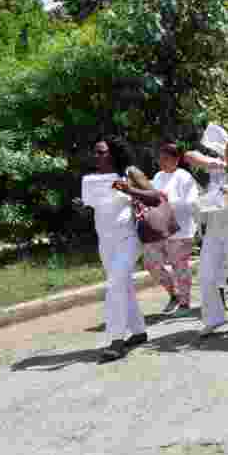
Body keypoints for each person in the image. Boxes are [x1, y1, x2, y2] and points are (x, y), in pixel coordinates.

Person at [86, 139, 151, 362]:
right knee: (123, 285)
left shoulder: (127, 174)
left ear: (112, 154)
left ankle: (116, 341)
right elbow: (100, 206)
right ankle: (139, 331)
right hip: (106, 242)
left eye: (100, 152)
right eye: (94, 152)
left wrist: (129, 189)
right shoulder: (93, 181)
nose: (95, 155)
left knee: (114, 285)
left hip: (129, 238)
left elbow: (156, 197)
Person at [185, 141, 228, 337]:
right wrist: (212, 163)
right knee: (206, 275)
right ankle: (213, 318)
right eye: (227, 151)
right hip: (214, 229)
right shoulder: (218, 171)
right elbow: (189, 155)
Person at [142, 142, 199, 317]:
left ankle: (184, 303)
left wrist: (168, 200)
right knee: (151, 264)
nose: (162, 162)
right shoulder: (158, 176)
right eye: (160, 158)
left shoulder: (184, 177)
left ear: (176, 159)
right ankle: (173, 294)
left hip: (180, 230)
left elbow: (192, 203)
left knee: (179, 266)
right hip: (159, 229)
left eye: (166, 158)